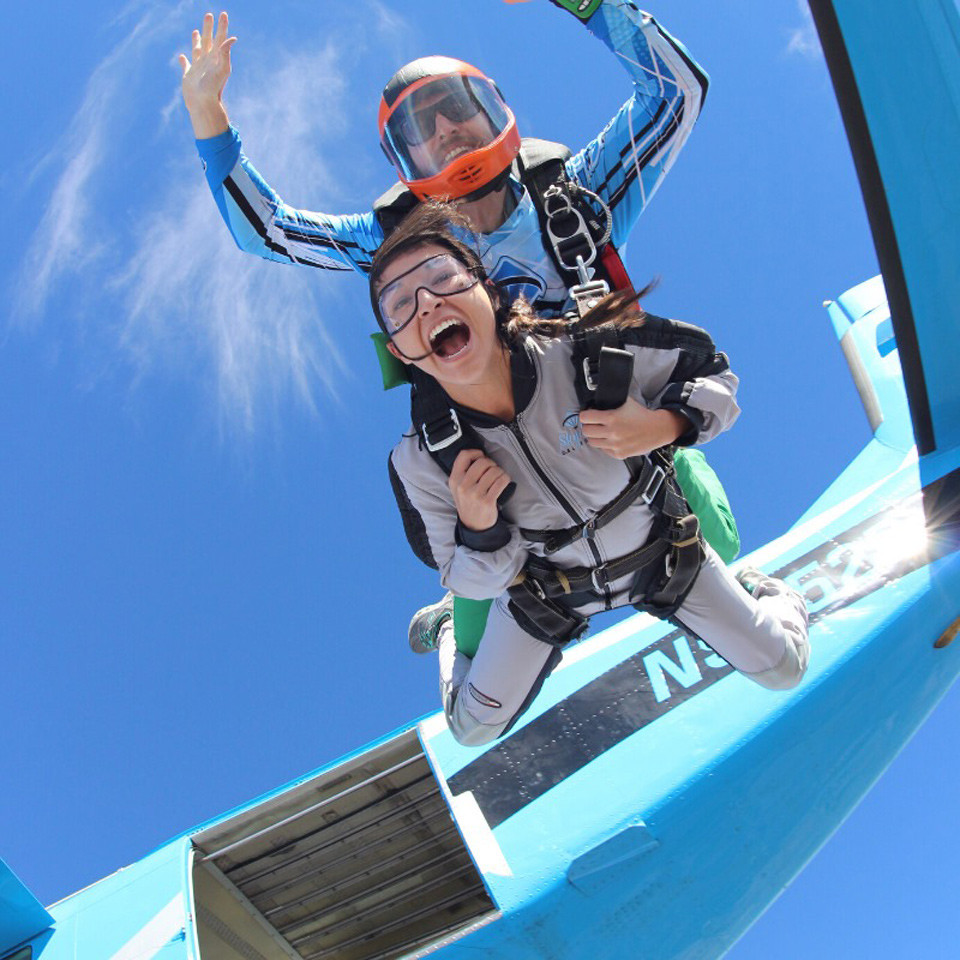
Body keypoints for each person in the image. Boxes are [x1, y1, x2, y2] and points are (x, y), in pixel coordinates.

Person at [179, 2, 738, 651]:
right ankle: (462, 633)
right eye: (423, 123)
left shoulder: (577, 196)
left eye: (457, 105)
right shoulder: (396, 243)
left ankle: (725, 612)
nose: (446, 127)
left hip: (626, 453)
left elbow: (678, 93)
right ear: (403, 159)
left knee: (710, 529)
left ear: (496, 111)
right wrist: (207, 118)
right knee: (482, 608)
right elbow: (271, 232)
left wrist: (589, 5)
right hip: (504, 492)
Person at [374, 202, 809, 746]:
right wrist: (479, 529)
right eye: (399, 305)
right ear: (400, 351)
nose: (428, 302)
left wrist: (663, 424)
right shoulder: (421, 460)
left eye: (443, 278)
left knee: (784, 666)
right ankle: (447, 629)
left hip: (661, 552)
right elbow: (466, 579)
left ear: (487, 288)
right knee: (468, 729)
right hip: (547, 591)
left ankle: (753, 585)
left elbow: (717, 377)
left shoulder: (586, 348)